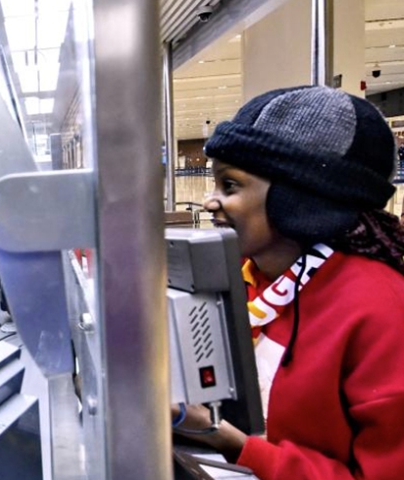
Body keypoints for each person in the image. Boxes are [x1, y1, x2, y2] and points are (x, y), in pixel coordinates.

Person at [173, 86, 404, 479]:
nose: (211, 202)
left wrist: (233, 443)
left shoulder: (382, 310)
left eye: (229, 186)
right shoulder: (246, 278)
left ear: (297, 197)